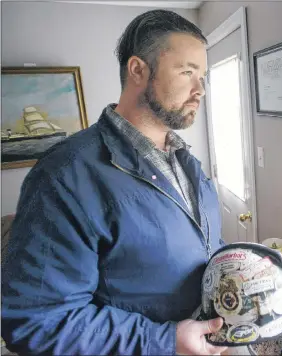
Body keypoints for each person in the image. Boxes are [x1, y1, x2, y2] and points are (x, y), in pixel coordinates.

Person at [1, 10, 228, 356]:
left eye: (204, 76)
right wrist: (165, 341)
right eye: (187, 72)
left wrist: (242, 265)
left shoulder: (186, 162)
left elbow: (201, 242)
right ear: (138, 70)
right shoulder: (64, 175)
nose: (201, 90)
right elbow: (36, 320)